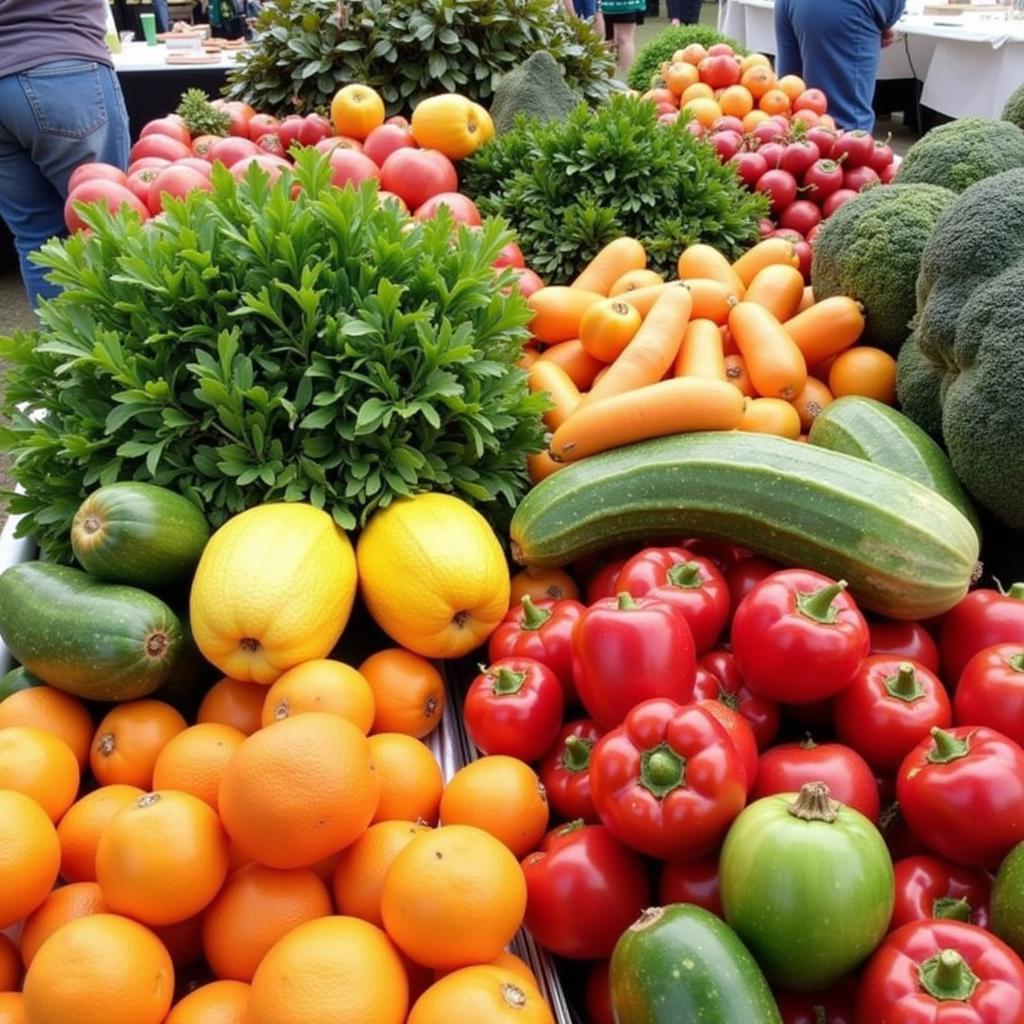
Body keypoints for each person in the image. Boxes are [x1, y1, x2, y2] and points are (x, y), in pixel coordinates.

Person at [0, 0, 130, 306]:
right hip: (62, 64)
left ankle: (63, 351)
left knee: (37, 238)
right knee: (108, 231)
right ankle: (117, 349)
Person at [774, 0, 906, 133]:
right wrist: (882, 17)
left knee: (788, 109)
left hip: (797, 6)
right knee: (842, 130)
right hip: (842, 7)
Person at [599, 0, 647, 75]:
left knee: (623, 38)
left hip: (626, 5)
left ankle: (624, 74)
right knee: (604, 39)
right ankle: (602, 76)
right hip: (600, 5)